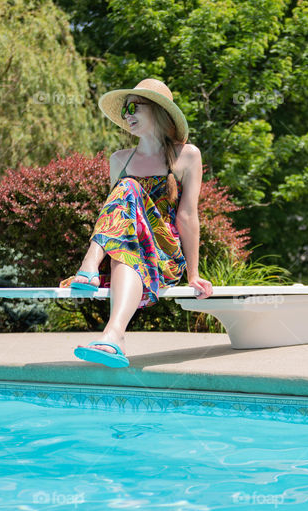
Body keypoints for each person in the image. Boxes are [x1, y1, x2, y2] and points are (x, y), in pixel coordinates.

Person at [60, 78, 213, 367]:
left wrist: (193, 274)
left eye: (134, 108)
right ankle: (113, 336)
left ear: (156, 110)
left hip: (164, 255)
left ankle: (89, 265)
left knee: (127, 189)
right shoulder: (119, 159)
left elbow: (187, 215)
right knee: (124, 245)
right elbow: (115, 216)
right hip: (130, 248)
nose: (127, 115)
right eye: (125, 110)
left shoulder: (187, 155)